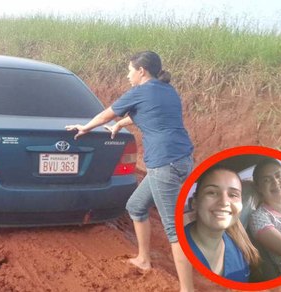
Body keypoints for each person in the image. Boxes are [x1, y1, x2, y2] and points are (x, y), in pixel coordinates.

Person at [65, 51, 195, 291]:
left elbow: (107, 113)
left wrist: (86, 127)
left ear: (141, 71)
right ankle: (144, 260)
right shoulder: (168, 90)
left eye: (129, 70)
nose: (128, 75)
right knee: (136, 206)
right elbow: (149, 115)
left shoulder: (139, 92)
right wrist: (120, 124)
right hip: (184, 159)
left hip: (164, 163)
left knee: (174, 230)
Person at [185, 166, 260, 282]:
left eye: (233, 195)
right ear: (194, 202)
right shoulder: (175, 250)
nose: (224, 202)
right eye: (212, 192)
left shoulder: (240, 247)